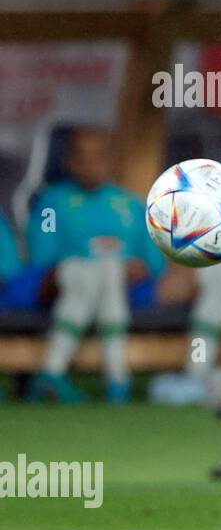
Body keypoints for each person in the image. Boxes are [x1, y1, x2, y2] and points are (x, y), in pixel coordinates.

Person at [24, 129, 166, 404]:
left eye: (98, 157)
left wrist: (137, 268)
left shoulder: (128, 204)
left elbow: (154, 263)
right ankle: (117, 380)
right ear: (69, 162)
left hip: (124, 288)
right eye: (82, 158)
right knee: (97, 271)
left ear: (111, 160)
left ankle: (51, 373)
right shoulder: (52, 203)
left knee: (110, 271)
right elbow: (41, 259)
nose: (90, 166)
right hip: (67, 281)